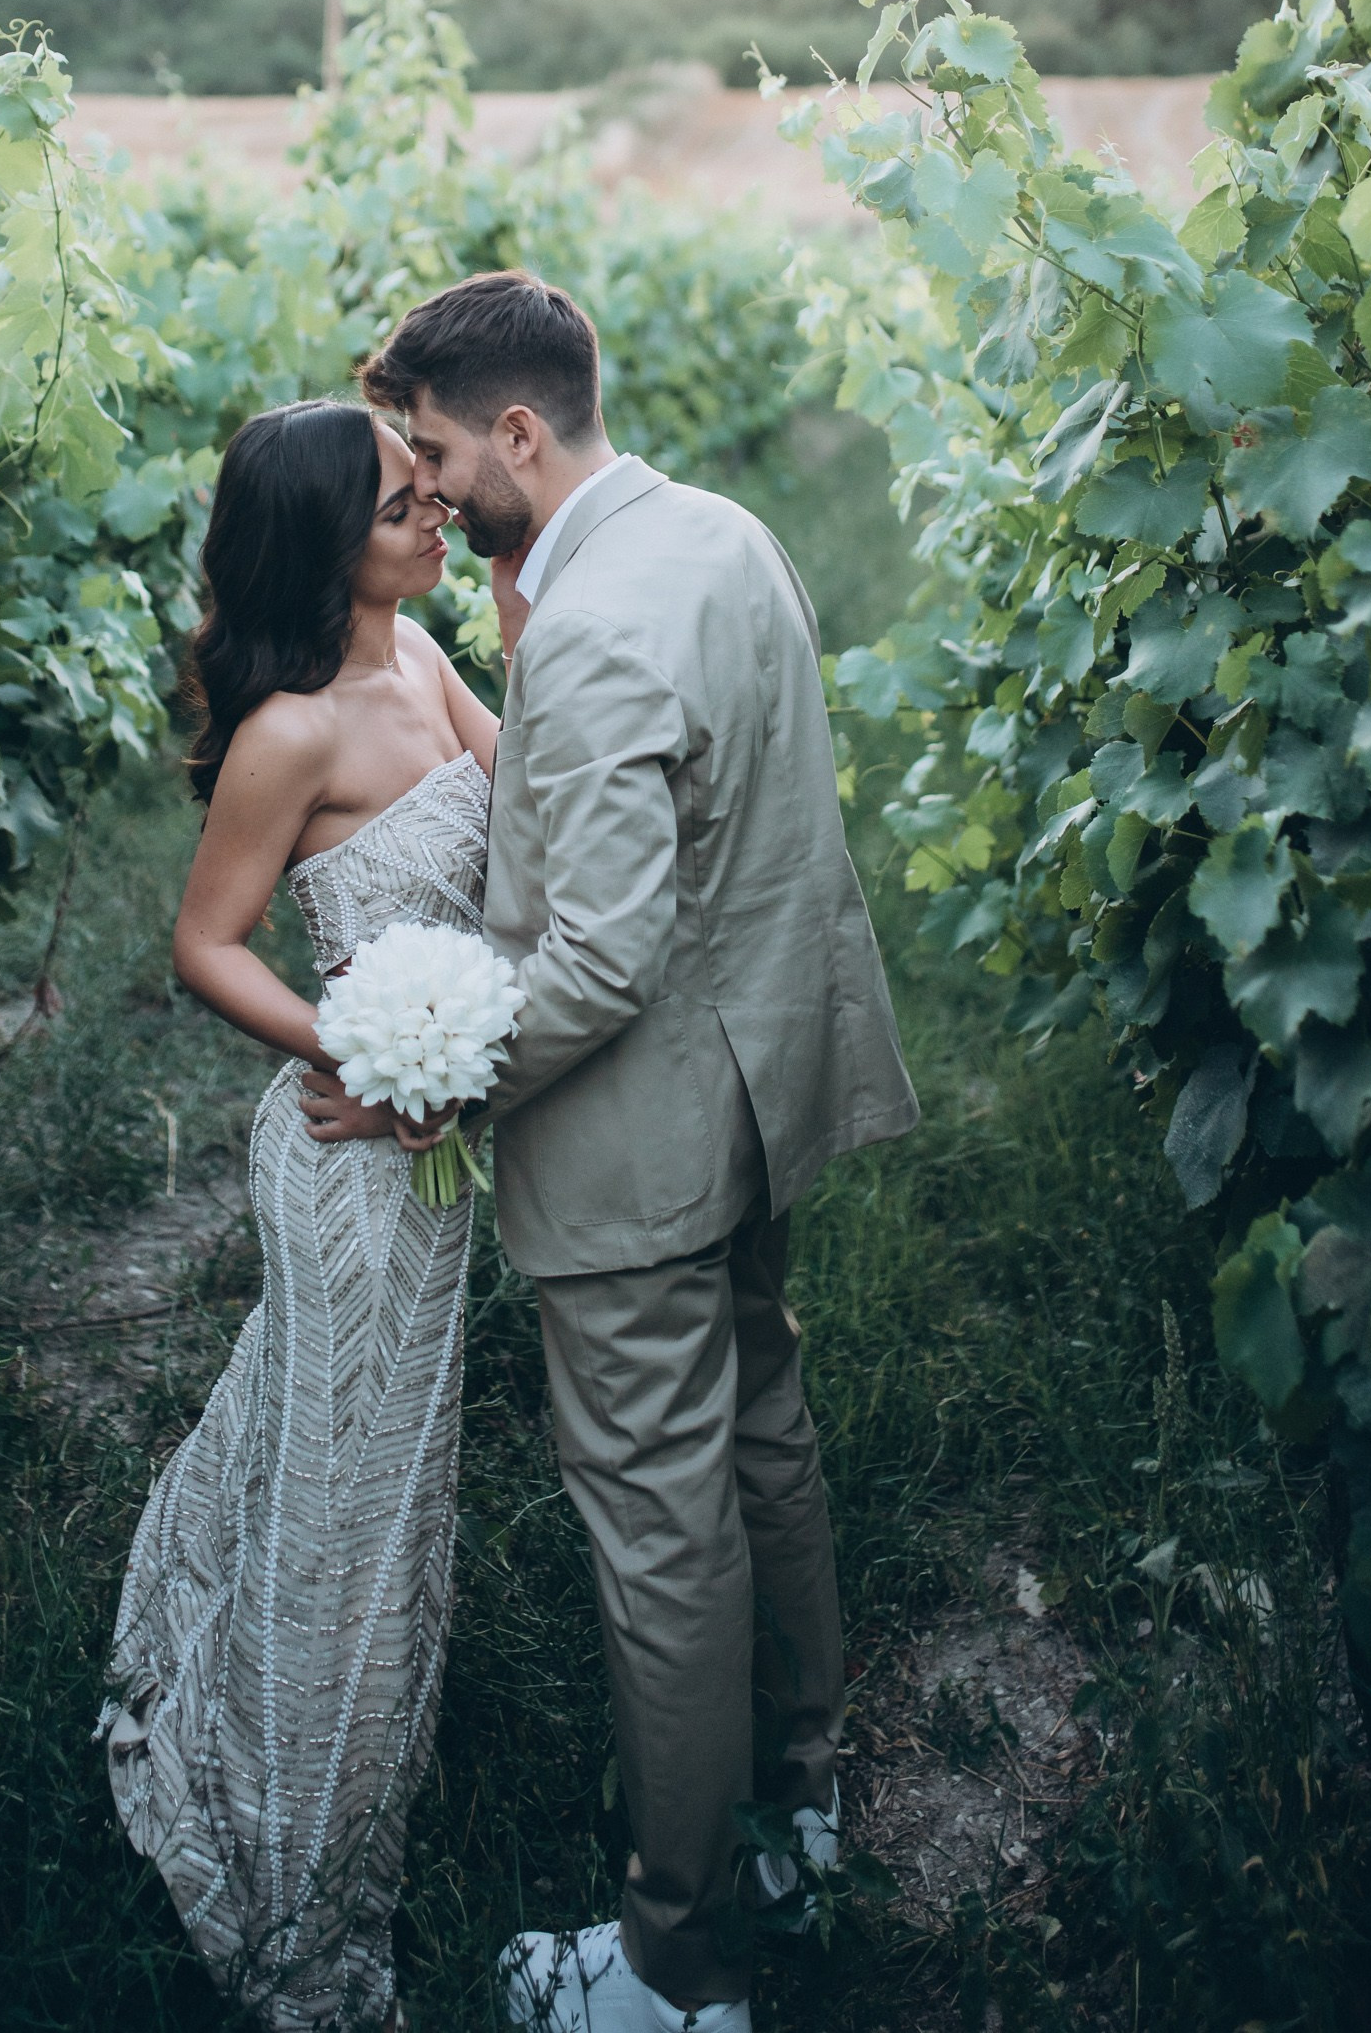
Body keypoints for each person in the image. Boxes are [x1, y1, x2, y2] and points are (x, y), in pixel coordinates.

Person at [361, 270, 919, 2033]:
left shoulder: (591, 628)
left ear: (521, 428)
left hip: (639, 1144)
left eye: (442, 453)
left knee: (660, 1537)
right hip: (757, 1088)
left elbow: (594, 958)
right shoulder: (725, 536)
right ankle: (802, 1813)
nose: (431, 490)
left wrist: (426, 1074)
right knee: (766, 1435)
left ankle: (680, 1966)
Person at [98, 396, 498, 2033]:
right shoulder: (295, 732)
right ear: (324, 536)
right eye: (407, 500)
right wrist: (364, 1047)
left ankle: (265, 1706)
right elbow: (208, 943)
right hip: (349, 1155)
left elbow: (523, 816)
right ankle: (294, 1874)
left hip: (438, 1143)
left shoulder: (428, 657)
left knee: (351, 1464)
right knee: (350, 1504)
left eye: (433, 493)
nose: (439, 514)